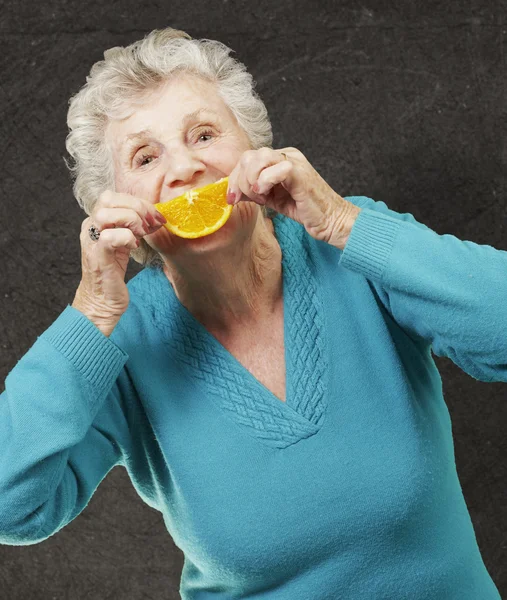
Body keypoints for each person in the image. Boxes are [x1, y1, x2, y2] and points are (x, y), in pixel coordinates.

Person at [0, 26, 504, 600]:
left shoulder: (352, 244)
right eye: (145, 156)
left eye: (205, 133)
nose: (186, 168)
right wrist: (90, 311)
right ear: (113, 208)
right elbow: (9, 505)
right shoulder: (121, 340)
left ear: (254, 147)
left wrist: (343, 224)